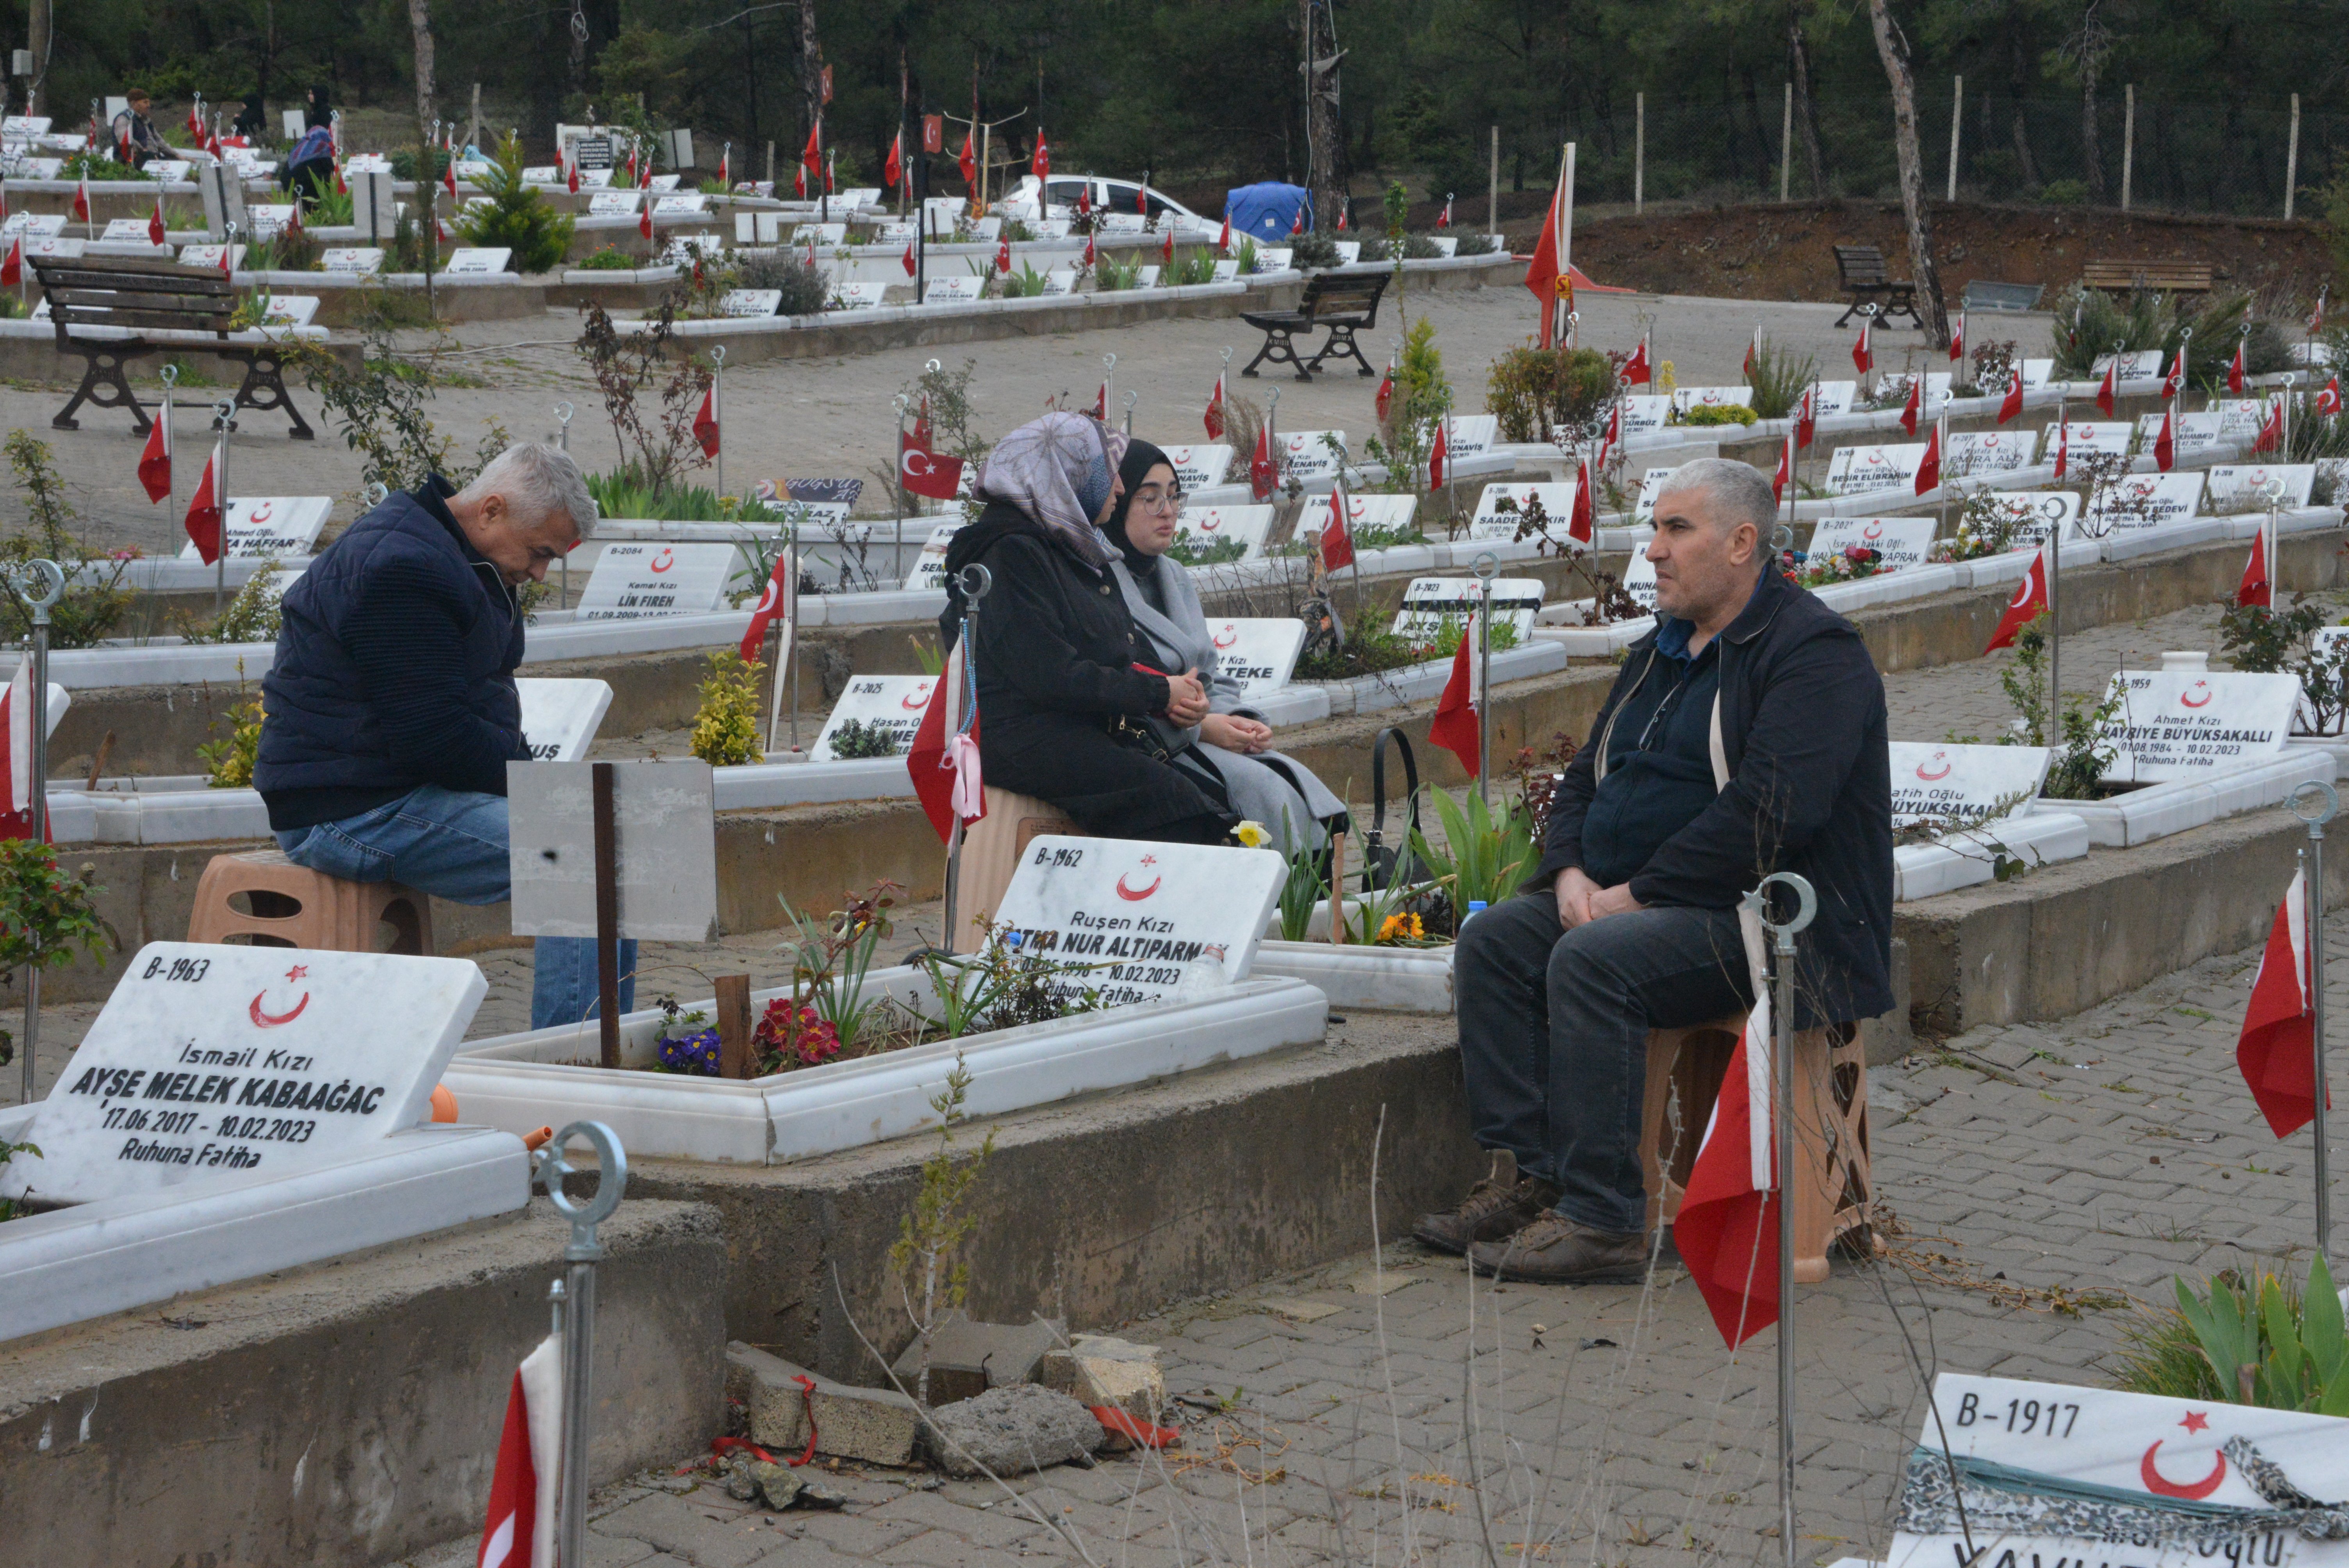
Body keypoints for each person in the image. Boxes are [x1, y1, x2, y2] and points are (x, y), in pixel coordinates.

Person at [1417, 457, 1893, 1283]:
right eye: (1654, 528)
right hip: (1633, 901)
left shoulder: (1813, 654)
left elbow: (1769, 815)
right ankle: (1540, 1179)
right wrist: (1567, 876)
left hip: (1776, 922)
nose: (1653, 550)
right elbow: (1585, 780)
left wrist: (1632, 896)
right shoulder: (1658, 650)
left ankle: (1604, 1221)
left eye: (1676, 529)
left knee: (1594, 961)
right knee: (1494, 941)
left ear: (1742, 542)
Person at [254, 444, 635, 1030]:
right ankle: (574, 1067)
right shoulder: (404, 567)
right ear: (491, 511)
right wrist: (536, 787)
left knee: (608, 845)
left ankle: (603, 1048)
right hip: (347, 807)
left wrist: (545, 790)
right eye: (540, 554)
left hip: (388, 785)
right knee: (581, 864)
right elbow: (435, 736)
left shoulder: (457, 552)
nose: (540, 573)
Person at [939, 412, 1238, 845]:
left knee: (1212, 798)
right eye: (1109, 474)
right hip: (1028, 738)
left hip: (1080, 724)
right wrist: (1156, 694)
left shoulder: (1066, 547)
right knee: (1179, 811)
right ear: (1067, 476)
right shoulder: (1011, 555)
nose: (1119, 487)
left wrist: (1173, 691)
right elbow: (1051, 675)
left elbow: (1116, 644)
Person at [1101, 438, 1346, 854]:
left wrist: (1236, 720)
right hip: (1151, 748)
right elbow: (1122, 686)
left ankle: (1316, 901)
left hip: (1200, 734)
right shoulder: (1098, 581)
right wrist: (1204, 728)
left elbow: (1210, 674)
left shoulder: (1173, 575)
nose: (1168, 510)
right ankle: (1286, 906)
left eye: (1174, 496)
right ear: (1118, 501)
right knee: (1265, 789)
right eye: (1150, 498)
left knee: (1293, 785)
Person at [109, 91, 171, 169]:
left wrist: (177, 156)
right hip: (135, 162)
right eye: (145, 103)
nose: (149, 106)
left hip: (153, 159)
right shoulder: (124, 118)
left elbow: (159, 141)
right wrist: (143, 151)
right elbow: (126, 140)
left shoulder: (146, 120)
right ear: (134, 104)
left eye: (149, 102)